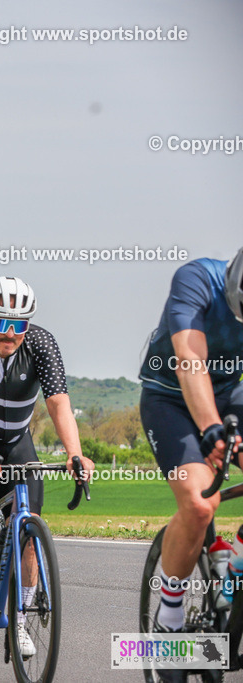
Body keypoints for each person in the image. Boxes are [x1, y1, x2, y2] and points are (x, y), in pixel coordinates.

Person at [0, 276, 94, 657]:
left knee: (29, 528)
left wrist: (75, 453)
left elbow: (58, 403)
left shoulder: (42, 343)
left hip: (15, 439)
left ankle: (21, 618)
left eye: (19, 325)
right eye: (1, 324)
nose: (10, 334)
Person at [138, 249, 243, 647]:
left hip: (230, 394)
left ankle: (235, 565)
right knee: (200, 504)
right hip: (170, 399)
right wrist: (211, 428)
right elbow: (190, 359)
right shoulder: (197, 279)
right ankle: (170, 617)